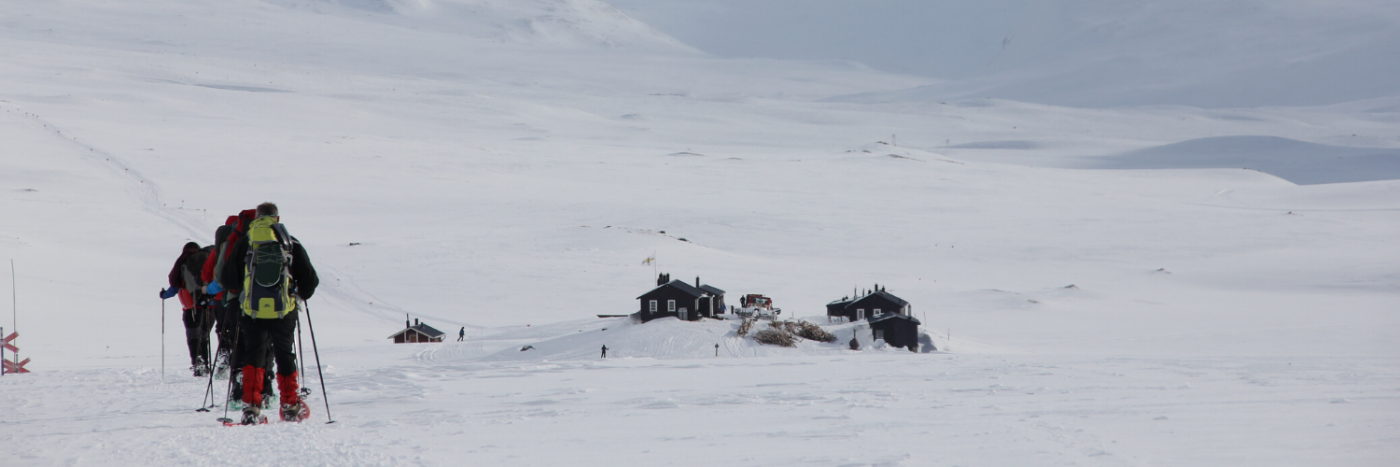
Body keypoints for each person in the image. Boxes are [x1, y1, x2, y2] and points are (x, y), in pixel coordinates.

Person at [221, 202, 319, 424]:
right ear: (277, 218)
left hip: (252, 311)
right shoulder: (289, 242)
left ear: (256, 218)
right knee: (285, 354)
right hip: (284, 312)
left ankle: (251, 407)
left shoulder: (246, 242)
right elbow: (310, 281)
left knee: (253, 356)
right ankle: (290, 405)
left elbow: (228, 279)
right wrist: (298, 294)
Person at [163, 241, 214, 376]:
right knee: (204, 336)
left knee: (193, 336)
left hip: (190, 307)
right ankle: (206, 365)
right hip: (210, 306)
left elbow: (174, 287)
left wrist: (164, 295)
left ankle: (198, 364)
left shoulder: (183, 263)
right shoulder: (206, 260)